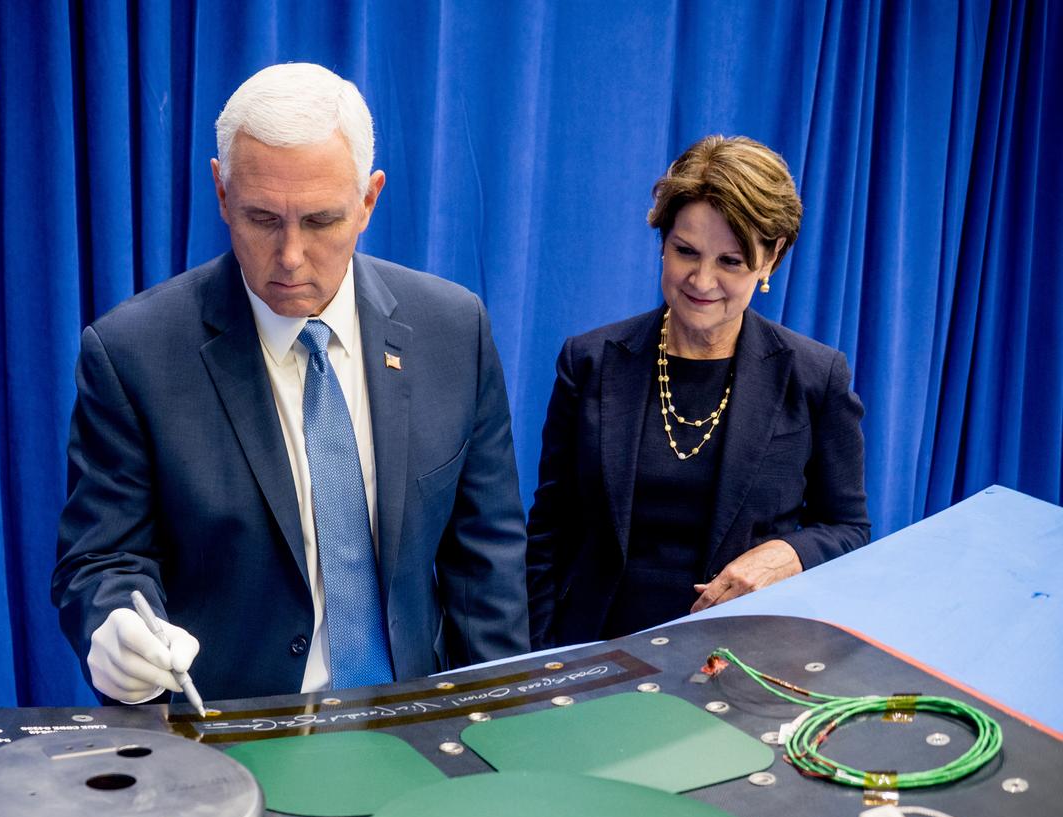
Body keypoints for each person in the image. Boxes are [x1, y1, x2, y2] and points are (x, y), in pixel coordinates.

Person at [53, 63, 528, 705]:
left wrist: (496, 720)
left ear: (368, 201)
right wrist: (115, 627)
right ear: (222, 193)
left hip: (412, 720)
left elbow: (486, 564)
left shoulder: (452, 330)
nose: (291, 256)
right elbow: (104, 560)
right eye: (262, 218)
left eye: (321, 221)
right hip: (228, 729)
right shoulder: (134, 355)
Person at [526, 135, 869, 650]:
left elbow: (848, 528)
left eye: (731, 261)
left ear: (771, 258)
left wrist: (788, 554)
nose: (702, 281)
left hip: (741, 658)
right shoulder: (590, 361)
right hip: (597, 655)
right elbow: (550, 531)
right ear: (662, 241)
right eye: (686, 251)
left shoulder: (815, 376)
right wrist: (539, 657)